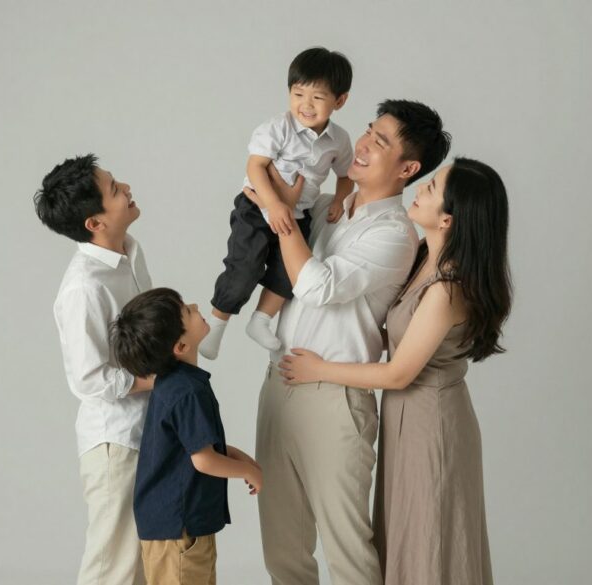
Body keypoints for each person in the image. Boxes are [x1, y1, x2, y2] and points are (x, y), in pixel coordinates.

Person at [278, 158, 512, 585]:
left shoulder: (447, 287)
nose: (420, 188)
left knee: (430, 535)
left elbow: (399, 374)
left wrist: (321, 369)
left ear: (448, 218)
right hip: (408, 417)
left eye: (433, 186)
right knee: (407, 531)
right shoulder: (425, 257)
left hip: (431, 420)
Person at [249, 100, 451, 585]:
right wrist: (279, 203)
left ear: (408, 168)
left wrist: (281, 218)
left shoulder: (395, 234)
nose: (360, 145)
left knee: (347, 551)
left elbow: (315, 285)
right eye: (367, 131)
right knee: (282, 550)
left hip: (336, 401)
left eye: (380, 142)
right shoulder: (326, 209)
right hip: (280, 385)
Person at [33, 154, 152, 585]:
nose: (127, 188)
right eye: (115, 190)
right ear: (94, 223)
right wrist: (152, 380)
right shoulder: (84, 286)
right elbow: (88, 379)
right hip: (115, 443)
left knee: (139, 565)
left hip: (145, 431)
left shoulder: (129, 256)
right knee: (112, 568)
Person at [199, 47, 355, 360]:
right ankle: (216, 324)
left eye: (317, 97)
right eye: (298, 94)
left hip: (298, 215)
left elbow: (346, 174)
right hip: (257, 208)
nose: (305, 105)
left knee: (291, 271)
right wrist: (274, 205)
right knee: (246, 265)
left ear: (340, 101)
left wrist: (340, 198)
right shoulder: (277, 128)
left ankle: (261, 320)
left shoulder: (338, 140)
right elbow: (255, 167)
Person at [110, 287, 263, 585]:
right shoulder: (187, 391)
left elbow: (190, 446)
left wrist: (238, 457)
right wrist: (246, 471)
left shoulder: (176, 384)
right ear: (180, 346)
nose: (194, 305)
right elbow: (203, 460)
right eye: (187, 311)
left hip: (178, 526)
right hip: (179, 531)